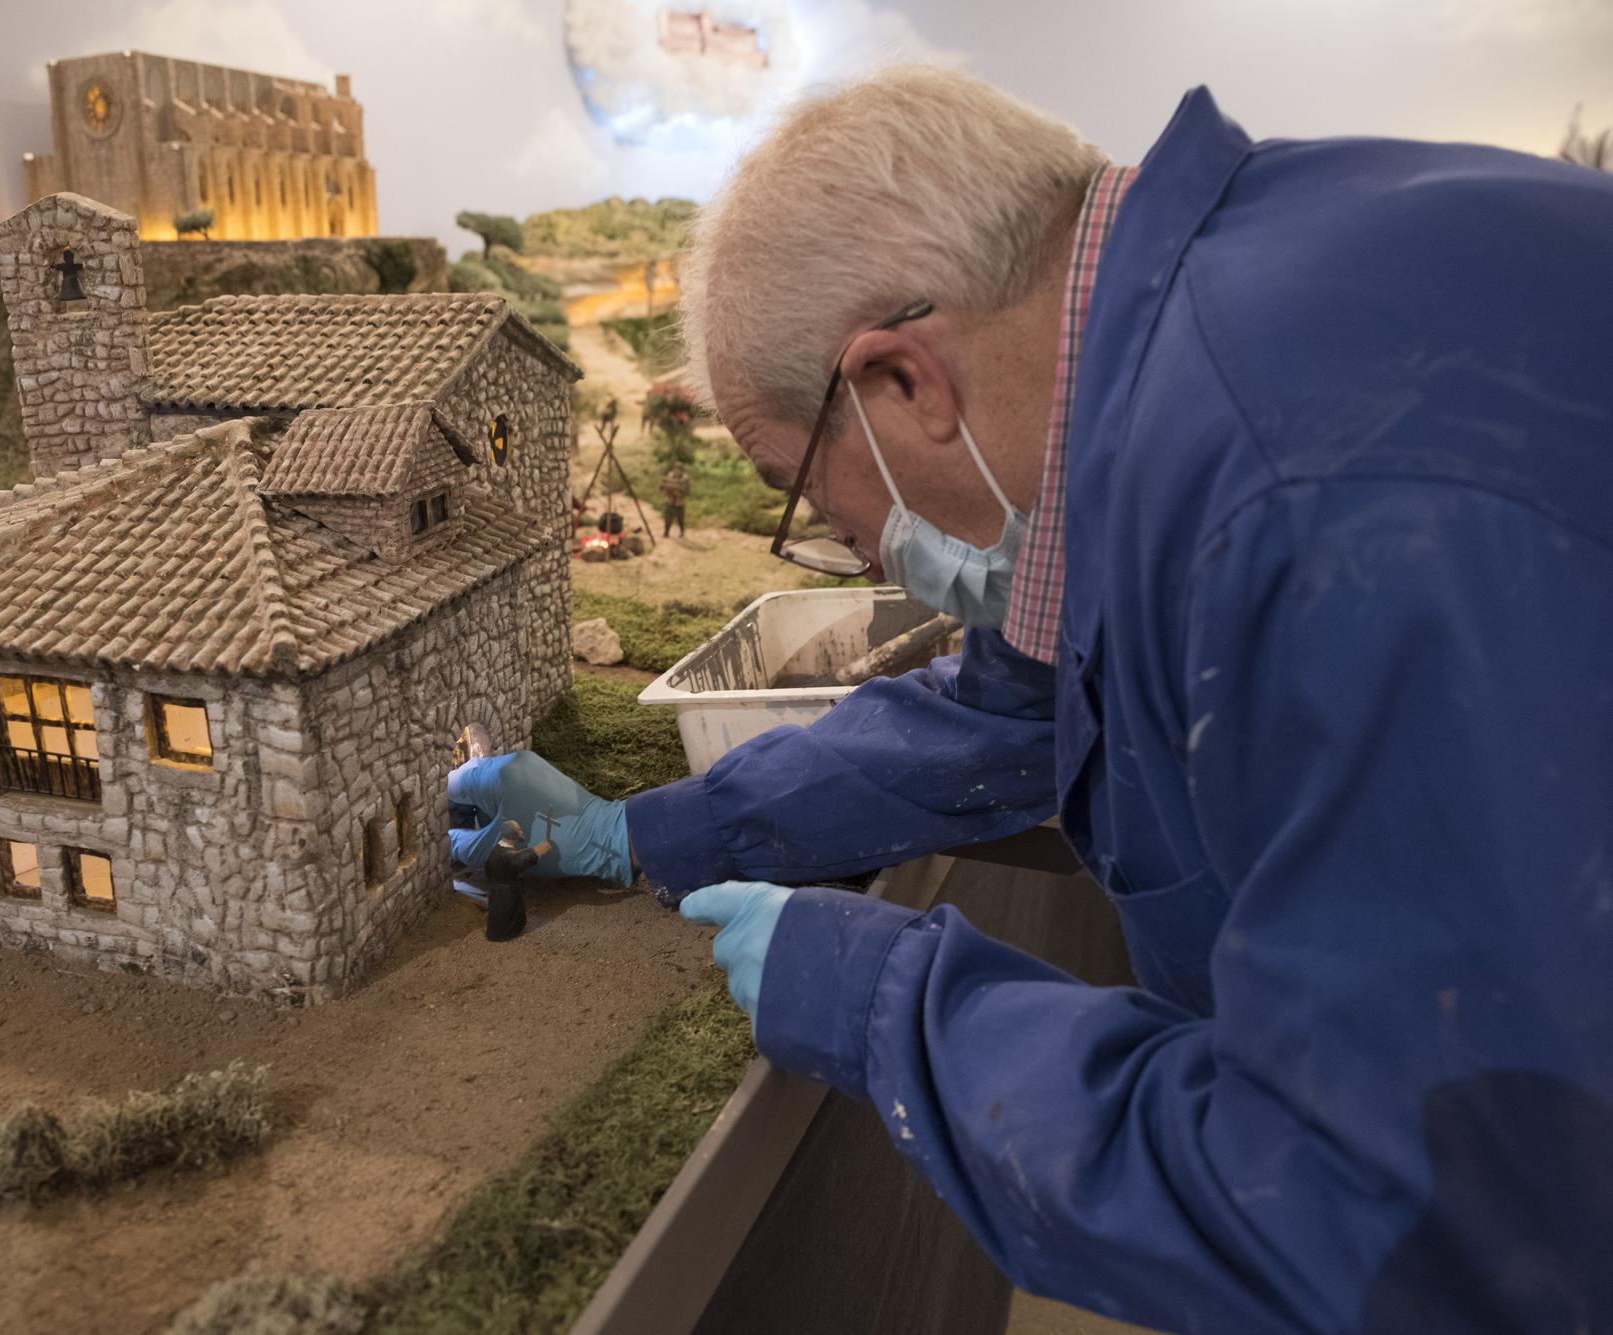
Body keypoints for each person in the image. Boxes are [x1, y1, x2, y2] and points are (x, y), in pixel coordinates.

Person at [449, 67, 1613, 1332]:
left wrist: (884, 1003)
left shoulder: (1307, 509)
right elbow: (1000, 704)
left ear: (904, 388)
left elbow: (1406, 1226)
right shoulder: (1221, 333)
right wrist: (641, 831)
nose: (846, 546)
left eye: (805, 502)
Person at [660, 462, 690, 537]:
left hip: (679, 503)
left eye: (679, 470)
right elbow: (662, 486)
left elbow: (686, 490)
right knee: (668, 519)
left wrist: (678, 491)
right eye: (676, 469)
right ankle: (666, 532)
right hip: (670, 501)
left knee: (680, 520)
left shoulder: (685, 479)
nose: (677, 471)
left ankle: (682, 532)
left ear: (682, 471)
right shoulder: (669, 477)